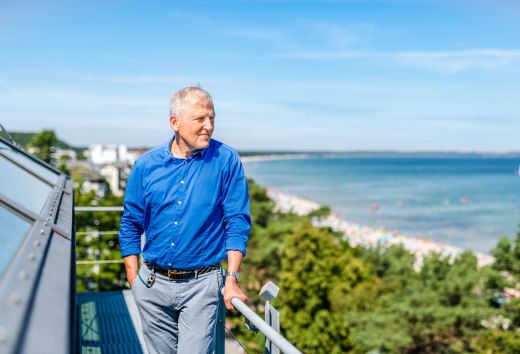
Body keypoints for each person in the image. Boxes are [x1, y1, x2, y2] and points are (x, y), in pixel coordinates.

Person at [118, 86, 250, 354]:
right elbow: (131, 223)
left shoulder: (226, 160)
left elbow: (237, 222)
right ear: (174, 122)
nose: (209, 126)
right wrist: (135, 278)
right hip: (152, 286)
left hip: (202, 286)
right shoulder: (146, 165)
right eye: (200, 119)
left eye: (212, 118)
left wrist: (232, 278)